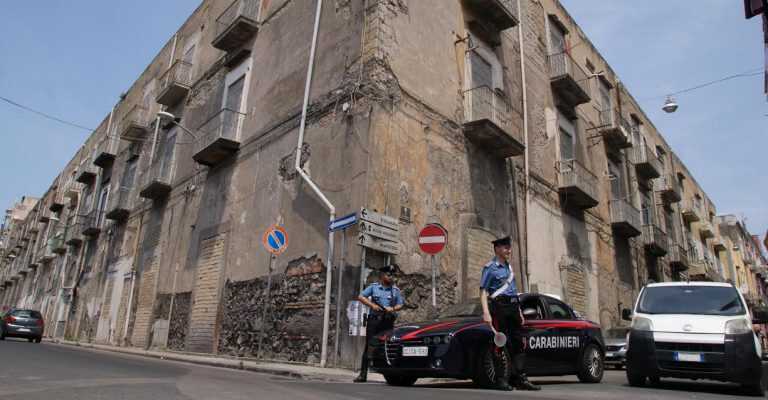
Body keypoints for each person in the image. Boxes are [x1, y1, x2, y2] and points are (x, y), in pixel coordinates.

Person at [479, 235, 540, 391]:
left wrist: (519, 310)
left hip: (513, 307)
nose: (509, 250)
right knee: (500, 343)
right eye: (506, 248)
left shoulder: (509, 267)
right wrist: (486, 312)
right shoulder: (490, 268)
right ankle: (501, 380)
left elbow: (513, 291)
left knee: (518, 343)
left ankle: (520, 379)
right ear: (497, 249)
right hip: (499, 308)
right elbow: (483, 291)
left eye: (509, 247)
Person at [354, 264, 404, 383]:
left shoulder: (395, 290)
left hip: (387, 322)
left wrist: (393, 308)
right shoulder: (374, 287)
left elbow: (400, 304)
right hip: (374, 321)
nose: (391, 277)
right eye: (389, 275)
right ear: (382, 275)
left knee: (388, 346)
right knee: (370, 346)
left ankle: (390, 374)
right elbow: (361, 297)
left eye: (393, 275)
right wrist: (372, 305)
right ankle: (363, 374)